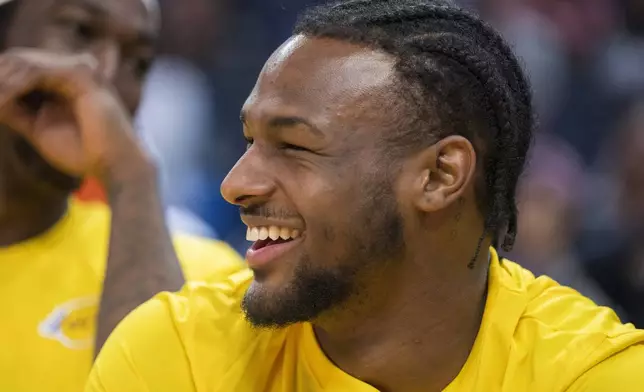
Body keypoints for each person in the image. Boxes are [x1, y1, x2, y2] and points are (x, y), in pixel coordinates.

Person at [88, 1, 644, 391]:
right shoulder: (177, 350)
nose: (236, 184)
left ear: (439, 176)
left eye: (294, 146)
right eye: (251, 141)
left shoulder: (592, 376)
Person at [0, 0, 242, 391]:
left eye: (140, 62)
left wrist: (131, 174)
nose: (106, 76)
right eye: (80, 31)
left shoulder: (207, 277)